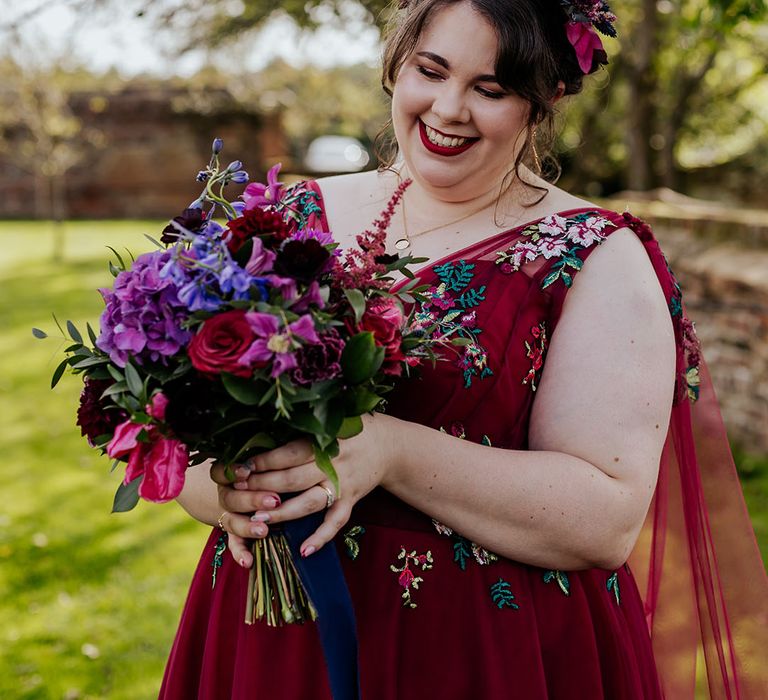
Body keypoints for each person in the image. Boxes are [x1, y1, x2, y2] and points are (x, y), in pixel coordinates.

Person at [160, 1, 768, 698]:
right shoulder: (292, 219)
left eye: (491, 88)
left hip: (482, 653)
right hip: (271, 642)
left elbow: (604, 521)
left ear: (548, 99)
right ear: (397, 64)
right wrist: (229, 493)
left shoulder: (596, 256)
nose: (449, 109)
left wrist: (390, 451)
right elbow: (191, 456)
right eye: (432, 70)